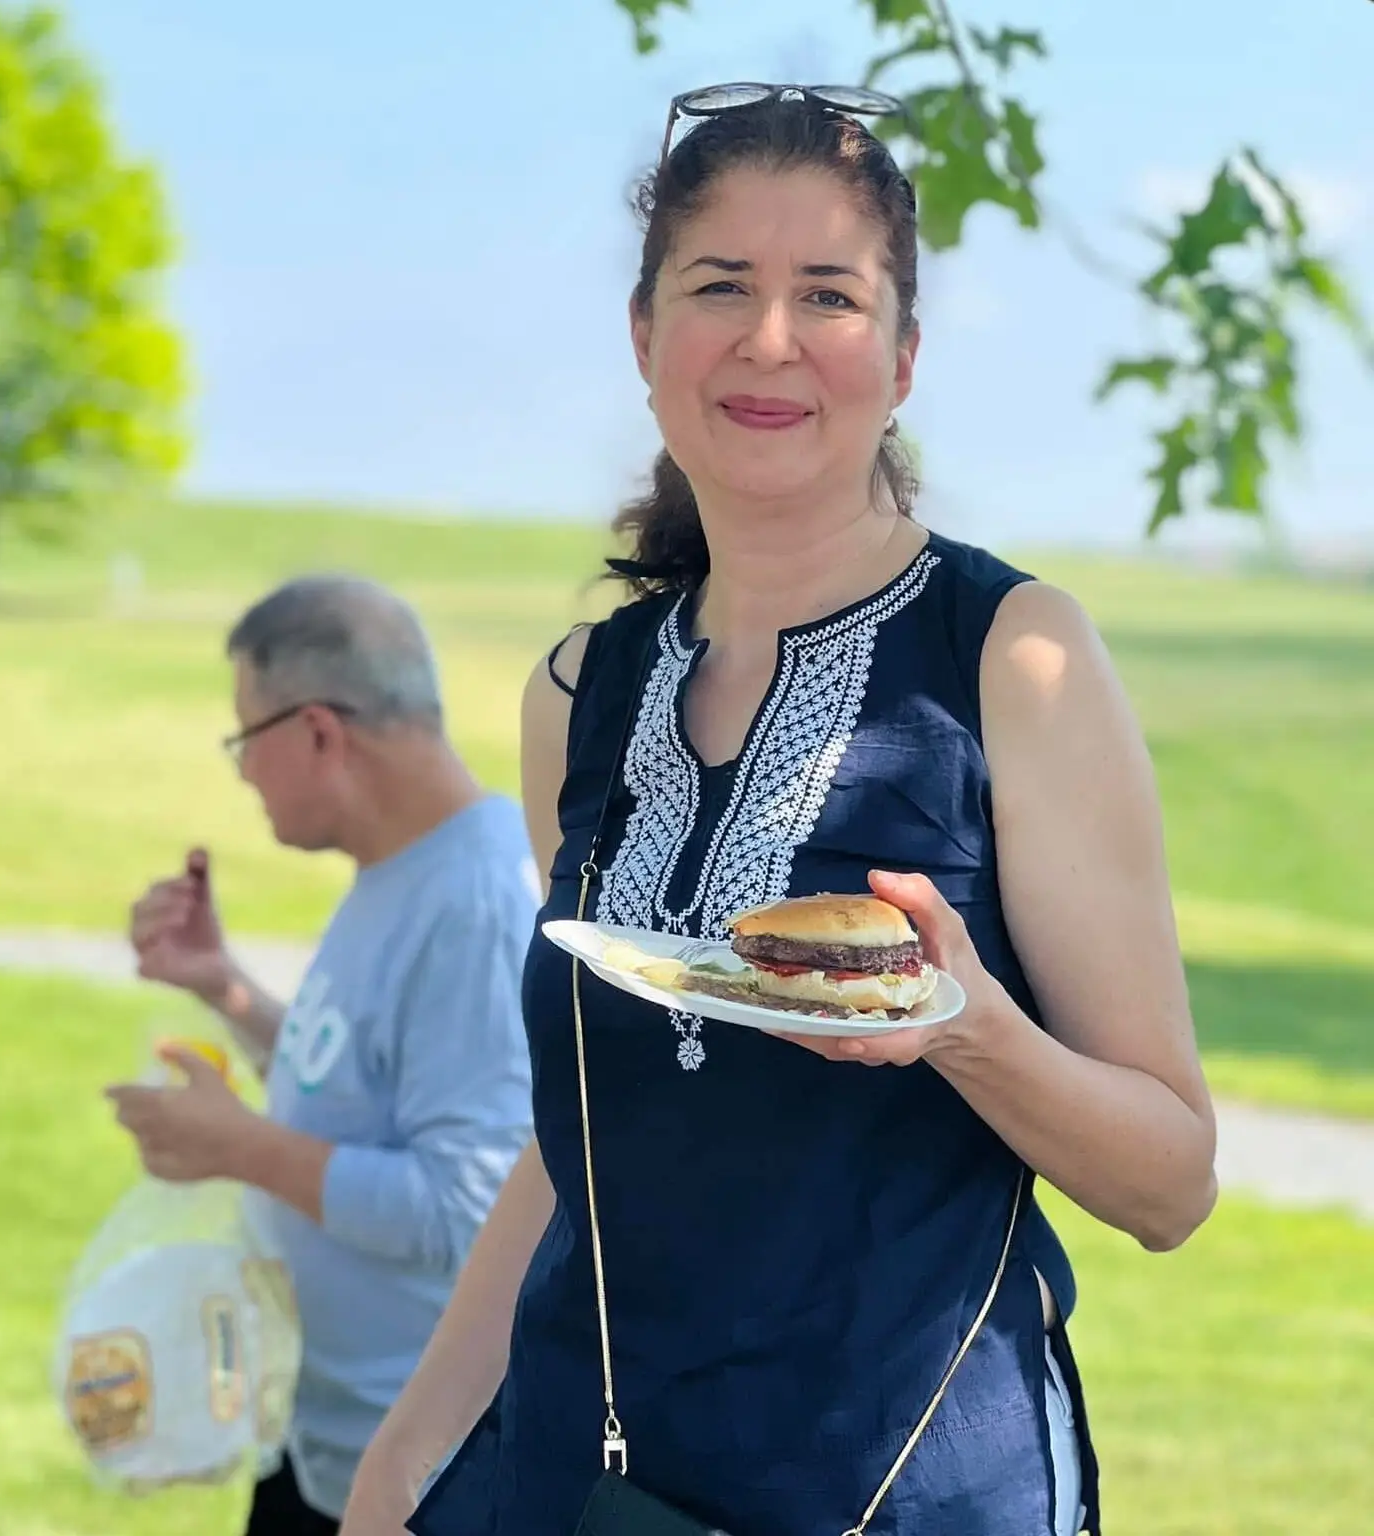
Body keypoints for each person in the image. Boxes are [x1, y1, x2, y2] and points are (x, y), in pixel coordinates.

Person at [339, 86, 1218, 1536]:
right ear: (642, 337)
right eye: (720, 287)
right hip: (587, 1483)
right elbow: (584, 1136)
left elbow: (1171, 1183)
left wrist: (973, 1033)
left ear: (904, 354)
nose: (768, 340)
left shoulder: (1015, 658)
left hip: (909, 1483)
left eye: (828, 294)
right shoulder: (579, 691)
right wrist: (407, 1454)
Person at [107, 574, 538, 1534]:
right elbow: (362, 1086)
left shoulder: (474, 905)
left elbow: (464, 1212)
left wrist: (239, 1147)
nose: (243, 772)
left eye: (244, 739)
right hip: (326, 1446)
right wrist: (223, 988)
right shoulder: (406, 869)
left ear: (315, 732)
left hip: (406, 1485)